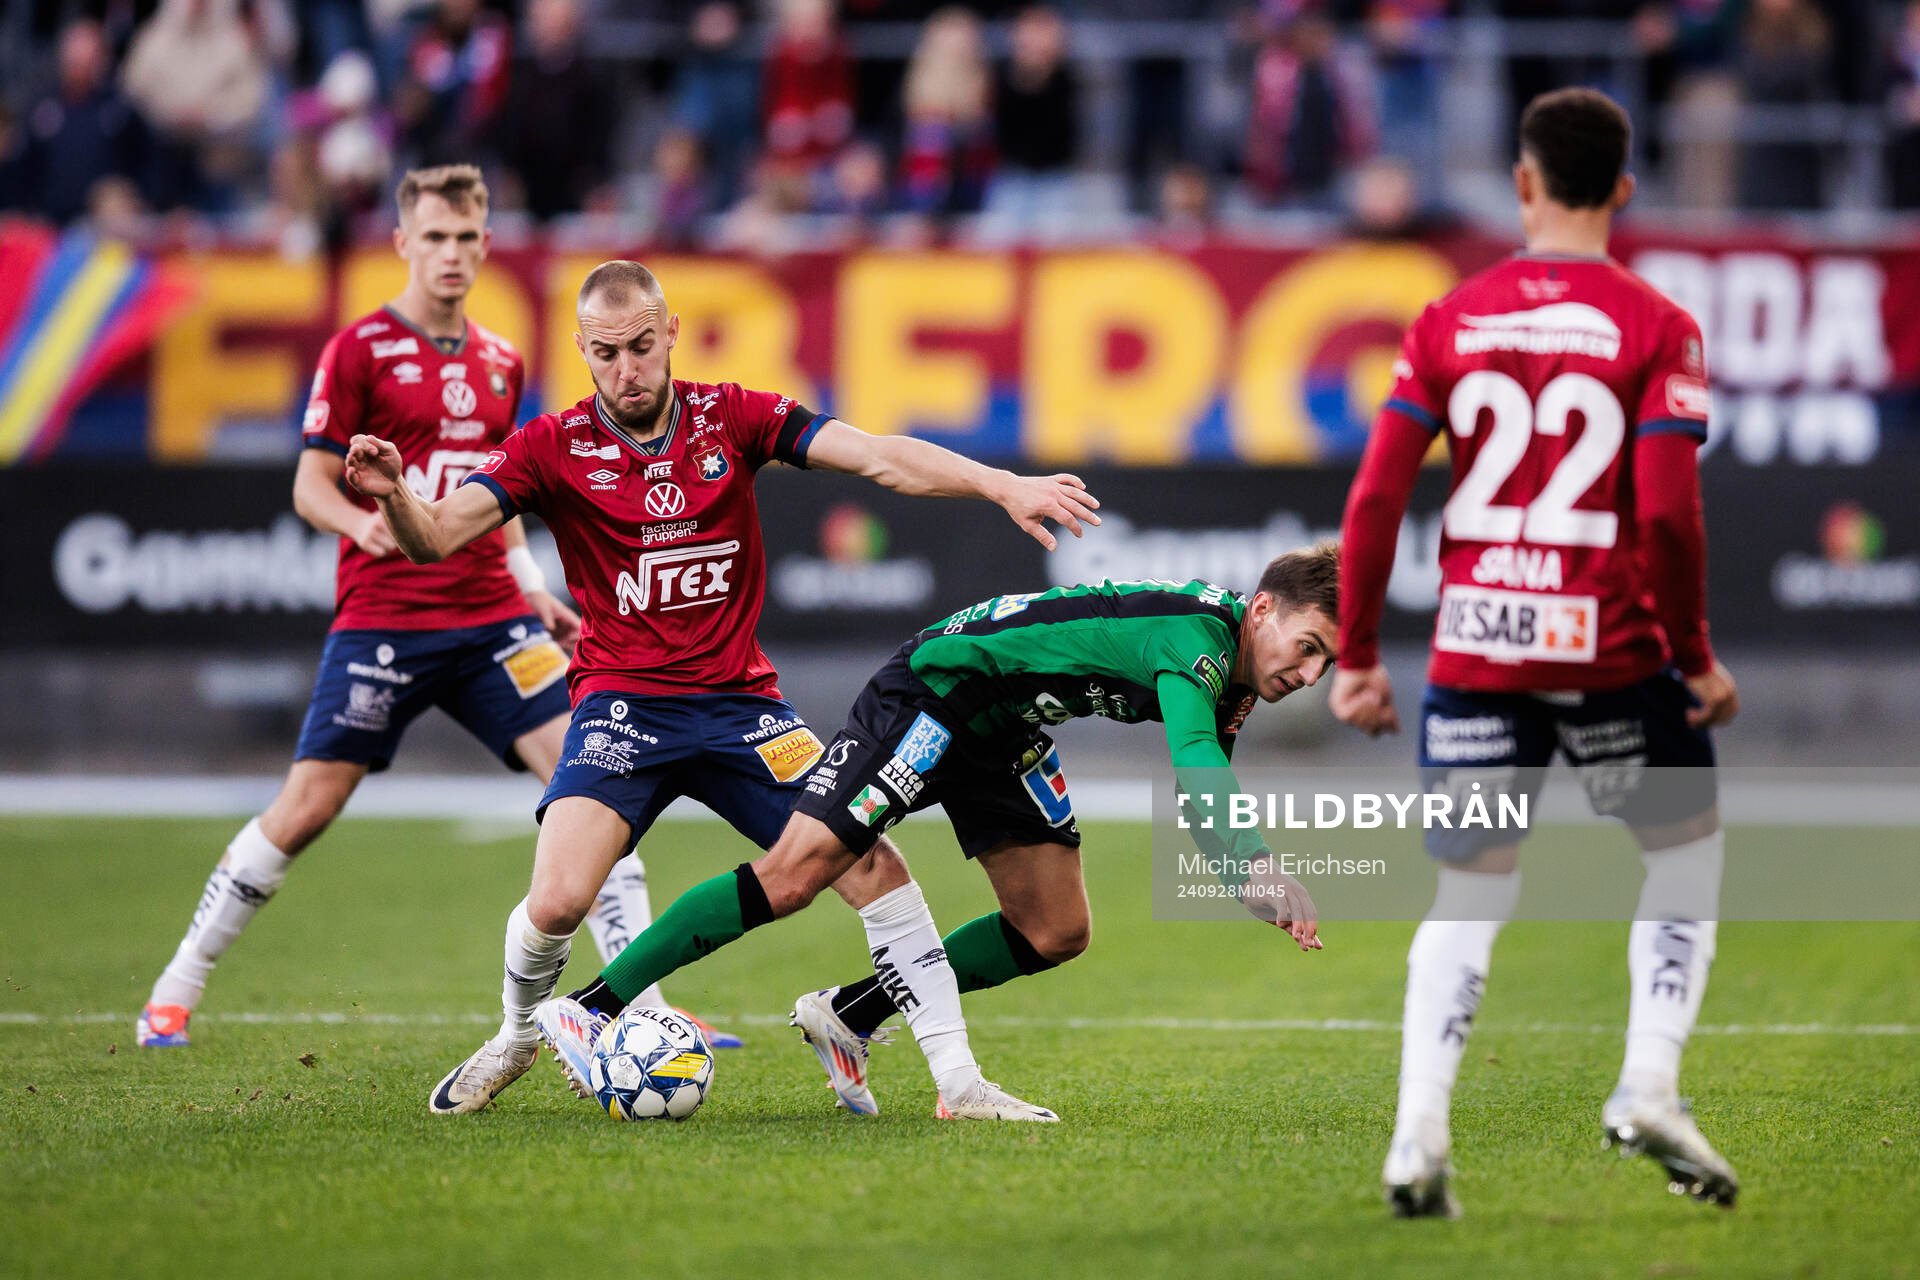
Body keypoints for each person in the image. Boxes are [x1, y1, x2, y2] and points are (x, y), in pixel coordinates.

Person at [343, 259, 1103, 1119]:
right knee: (556, 900)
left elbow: (879, 458)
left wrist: (999, 482)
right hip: (621, 709)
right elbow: (435, 537)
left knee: (876, 868)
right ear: (581, 353)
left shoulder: (730, 415)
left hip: (745, 709)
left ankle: (959, 1085)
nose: (626, 371)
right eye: (605, 354)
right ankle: (520, 1033)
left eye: (640, 346)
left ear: (670, 333)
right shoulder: (550, 446)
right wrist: (399, 493)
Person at [136, 166, 673, 1064]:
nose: (452, 255)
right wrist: (362, 525)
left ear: (486, 244)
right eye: (435, 238)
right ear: (403, 244)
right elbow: (311, 484)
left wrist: (531, 582)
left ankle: (647, 1010)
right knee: (307, 807)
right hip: (386, 616)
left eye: (466, 238)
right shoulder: (358, 351)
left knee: (598, 787)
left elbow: (498, 496)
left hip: (496, 620)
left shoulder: (503, 361)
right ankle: (175, 989)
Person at [1330, 88, 1741, 1217]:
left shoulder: (1449, 318)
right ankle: (1650, 1080)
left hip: (1477, 649)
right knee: (1683, 855)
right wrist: (1694, 656)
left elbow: (1374, 498)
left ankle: (1418, 1134)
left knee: (1470, 885)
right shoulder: (1660, 325)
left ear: (1522, 183)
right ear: (1623, 188)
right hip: (1610, 649)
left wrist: (1360, 654)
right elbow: (1666, 515)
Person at [535, 553, 1336, 1122]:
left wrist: (1244, 880)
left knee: (1055, 928)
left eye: (1324, 664)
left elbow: (1202, 791)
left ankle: (851, 1011)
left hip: (1004, 727)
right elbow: (1194, 763)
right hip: (941, 689)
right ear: (1263, 609)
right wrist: (1256, 866)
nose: (1308, 674)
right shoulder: (1199, 640)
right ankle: (592, 1008)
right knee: (797, 875)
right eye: (1307, 647)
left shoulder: (1232, 676)